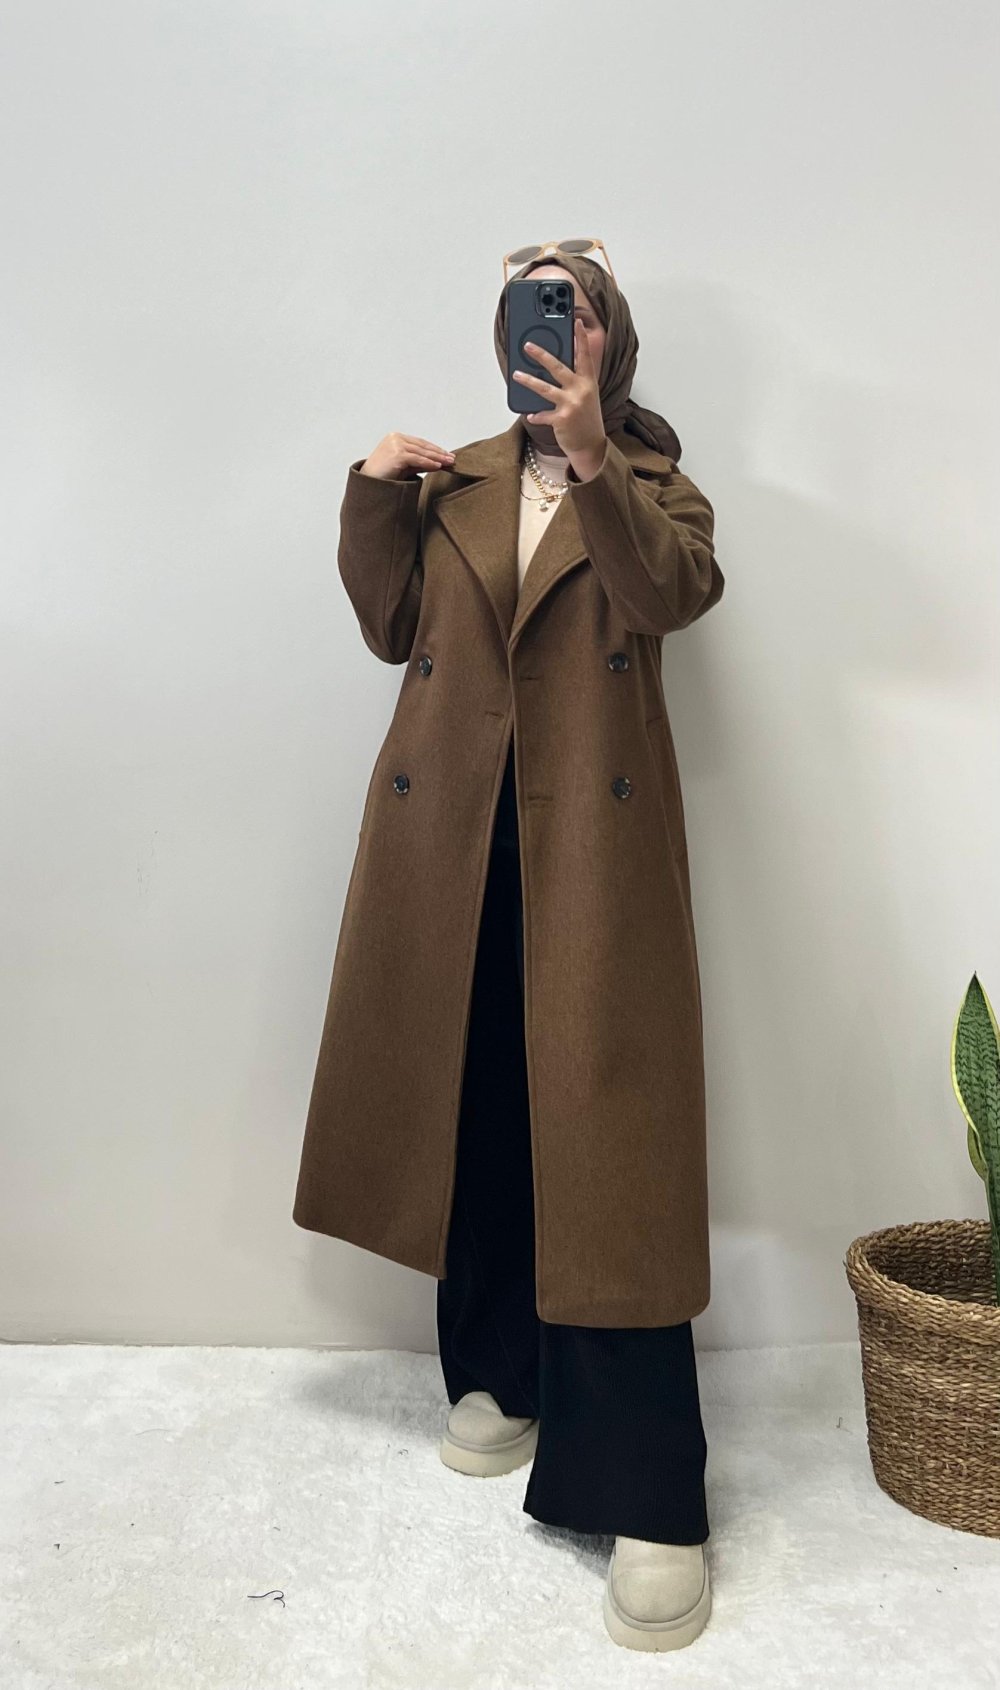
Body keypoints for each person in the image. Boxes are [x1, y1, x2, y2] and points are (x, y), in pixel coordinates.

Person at [292, 245, 724, 1653]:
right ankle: (498, 1372)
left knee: (610, 1142)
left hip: (591, 851)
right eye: (531, 307)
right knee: (472, 1103)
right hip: (449, 848)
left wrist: (594, 458)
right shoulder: (454, 483)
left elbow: (670, 597)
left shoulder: (654, 481)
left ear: (609, 339)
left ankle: (647, 1487)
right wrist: (372, 497)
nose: (552, 326)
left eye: (574, 307)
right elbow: (392, 629)